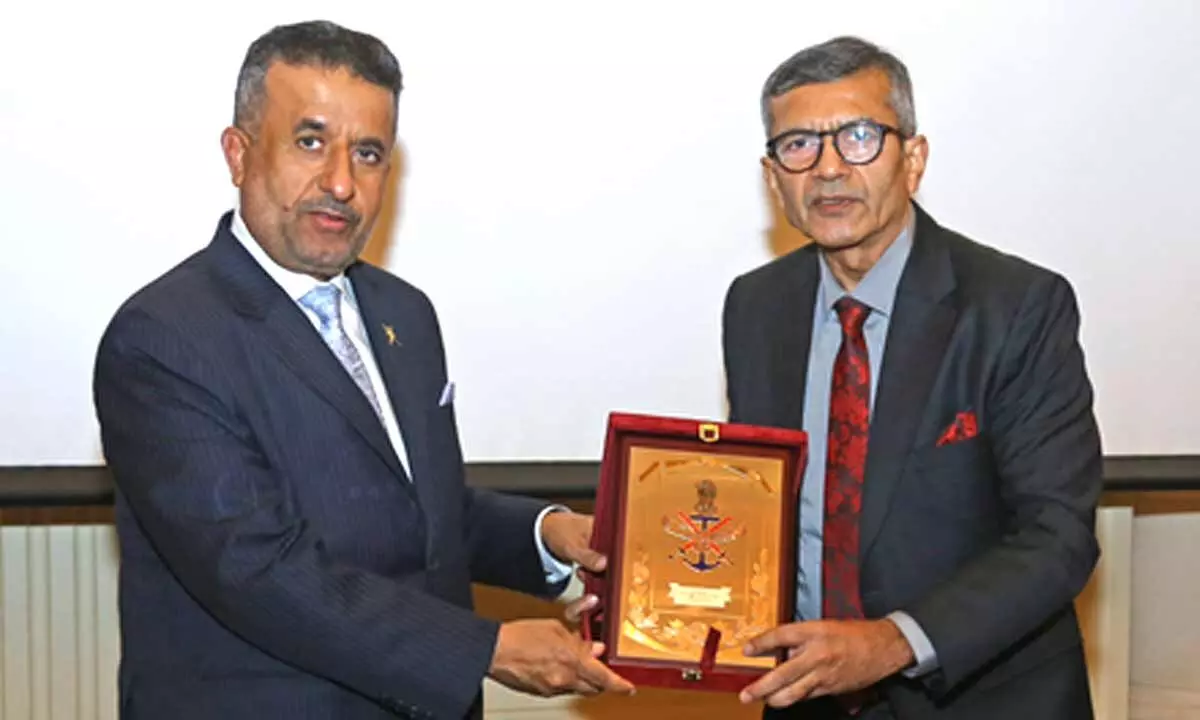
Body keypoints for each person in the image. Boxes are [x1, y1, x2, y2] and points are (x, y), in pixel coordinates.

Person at [92, 20, 631, 720]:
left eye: (368, 153)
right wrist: (486, 649)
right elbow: (258, 570)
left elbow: (417, 511)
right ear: (239, 153)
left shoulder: (404, 312)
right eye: (310, 142)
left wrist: (548, 534)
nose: (342, 183)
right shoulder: (163, 338)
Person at [722, 36, 1103, 719]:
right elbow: (757, 507)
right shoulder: (754, 305)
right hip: (804, 699)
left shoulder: (1016, 305)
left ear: (914, 159)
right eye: (799, 145)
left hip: (980, 700)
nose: (829, 169)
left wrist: (894, 643)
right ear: (773, 178)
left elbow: (1058, 536)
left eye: (859, 137)